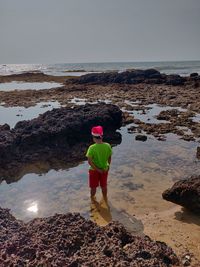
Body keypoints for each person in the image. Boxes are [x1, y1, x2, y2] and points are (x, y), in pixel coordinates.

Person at [86, 125, 112, 201]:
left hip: (94, 171)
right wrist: (108, 166)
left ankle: (92, 200)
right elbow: (109, 157)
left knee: (93, 187)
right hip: (104, 169)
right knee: (104, 186)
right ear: (101, 136)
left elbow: (89, 162)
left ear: (93, 137)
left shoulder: (92, 147)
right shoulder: (108, 145)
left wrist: (97, 169)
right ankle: (105, 199)